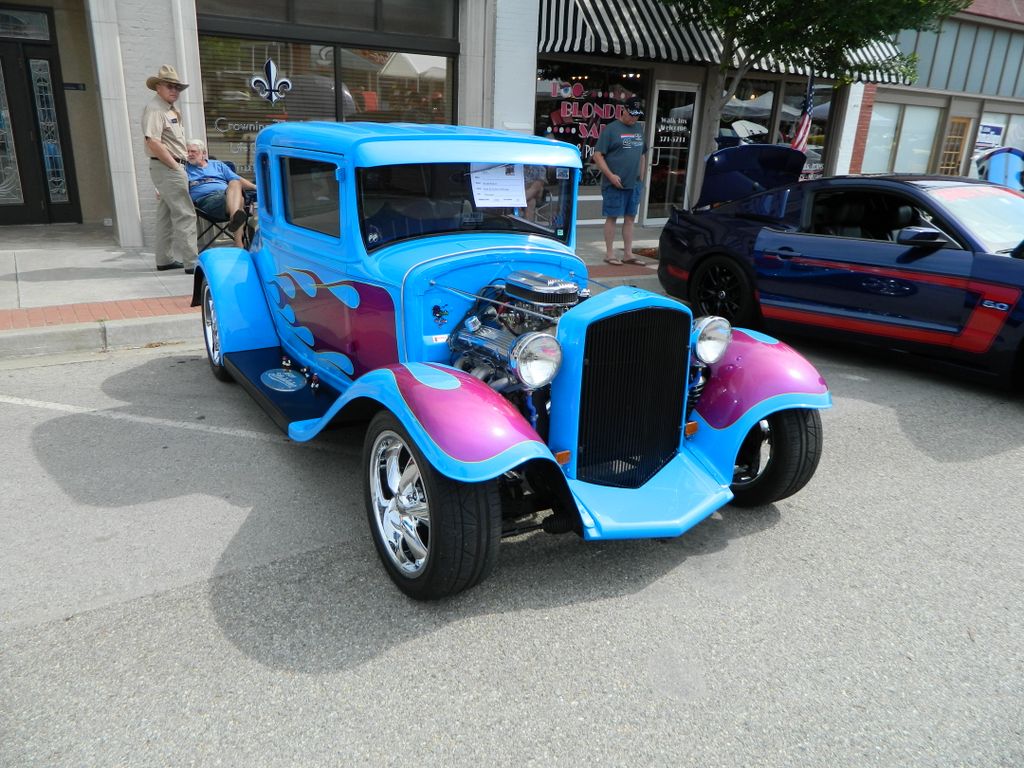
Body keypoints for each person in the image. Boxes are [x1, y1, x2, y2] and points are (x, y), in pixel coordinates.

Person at [141, 64, 197, 272]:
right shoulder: (156, 109)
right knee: (185, 214)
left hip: (168, 167)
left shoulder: (168, 108)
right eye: (169, 86)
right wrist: (175, 167)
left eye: (177, 87)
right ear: (158, 87)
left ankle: (164, 260)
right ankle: (193, 263)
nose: (174, 90)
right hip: (168, 167)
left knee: (165, 216)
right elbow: (153, 142)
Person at [592, 97, 649, 266]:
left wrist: (641, 177)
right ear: (623, 110)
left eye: (637, 115)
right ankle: (609, 254)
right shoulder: (611, 129)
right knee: (612, 217)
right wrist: (610, 176)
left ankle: (628, 254)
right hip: (615, 183)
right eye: (631, 114)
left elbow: (642, 154)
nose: (634, 118)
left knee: (630, 218)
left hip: (634, 183)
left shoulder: (638, 128)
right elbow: (597, 155)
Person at [185, 139, 256, 248]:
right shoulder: (185, 169)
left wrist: (256, 187)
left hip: (227, 196)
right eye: (188, 152)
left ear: (203, 153)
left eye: (193, 151)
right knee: (240, 202)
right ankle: (238, 241)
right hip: (207, 200)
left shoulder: (217, 165)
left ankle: (234, 217)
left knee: (235, 182)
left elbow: (238, 179)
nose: (189, 154)